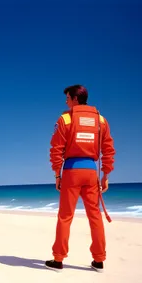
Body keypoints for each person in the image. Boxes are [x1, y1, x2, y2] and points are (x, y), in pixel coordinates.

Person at [45, 85, 116, 273]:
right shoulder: (101, 120)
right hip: (91, 173)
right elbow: (108, 149)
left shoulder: (65, 119)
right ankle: (99, 260)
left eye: (67, 98)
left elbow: (56, 149)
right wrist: (105, 175)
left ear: (76, 99)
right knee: (95, 216)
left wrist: (57, 174)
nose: (66, 101)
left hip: (71, 172)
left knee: (65, 216)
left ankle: (58, 259)